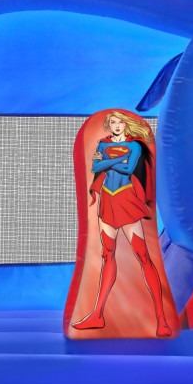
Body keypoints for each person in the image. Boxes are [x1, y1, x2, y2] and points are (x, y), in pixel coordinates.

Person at [72, 111, 172, 337]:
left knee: (143, 256)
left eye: (120, 122)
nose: (117, 125)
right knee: (108, 255)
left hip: (126, 199)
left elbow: (128, 169)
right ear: (109, 125)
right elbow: (96, 169)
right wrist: (118, 161)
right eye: (113, 122)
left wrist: (107, 162)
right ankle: (97, 314)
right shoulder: (103, 143)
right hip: (107, 201)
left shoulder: (134, 146)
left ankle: (161, 318)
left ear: (126, 125)